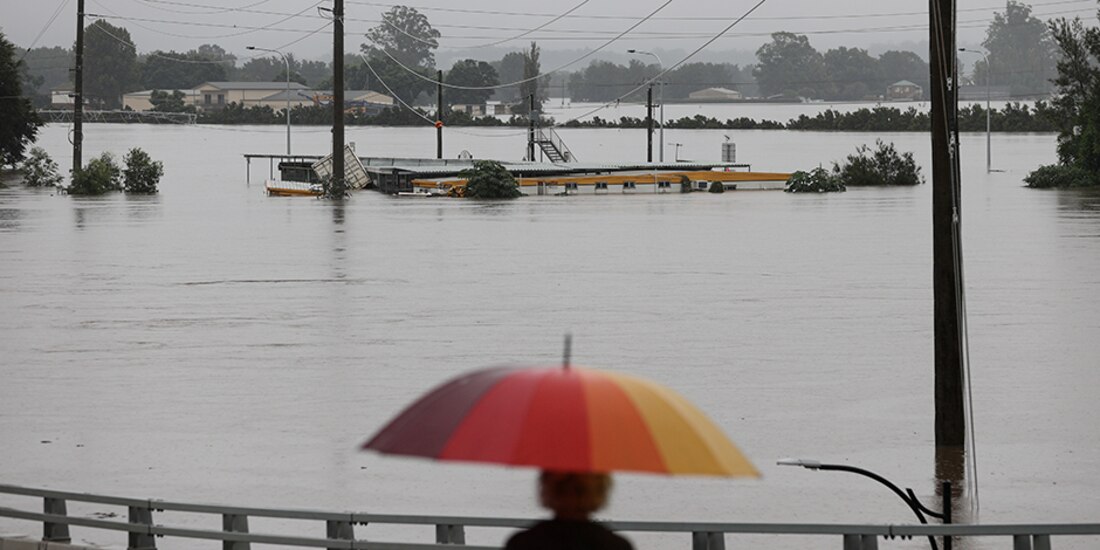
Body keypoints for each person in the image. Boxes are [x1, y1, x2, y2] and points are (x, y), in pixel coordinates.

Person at [504, 470, 634, 550]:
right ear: (599, 492)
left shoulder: (523, 543)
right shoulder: (616, 546)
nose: (570, 496)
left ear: (547, 490)